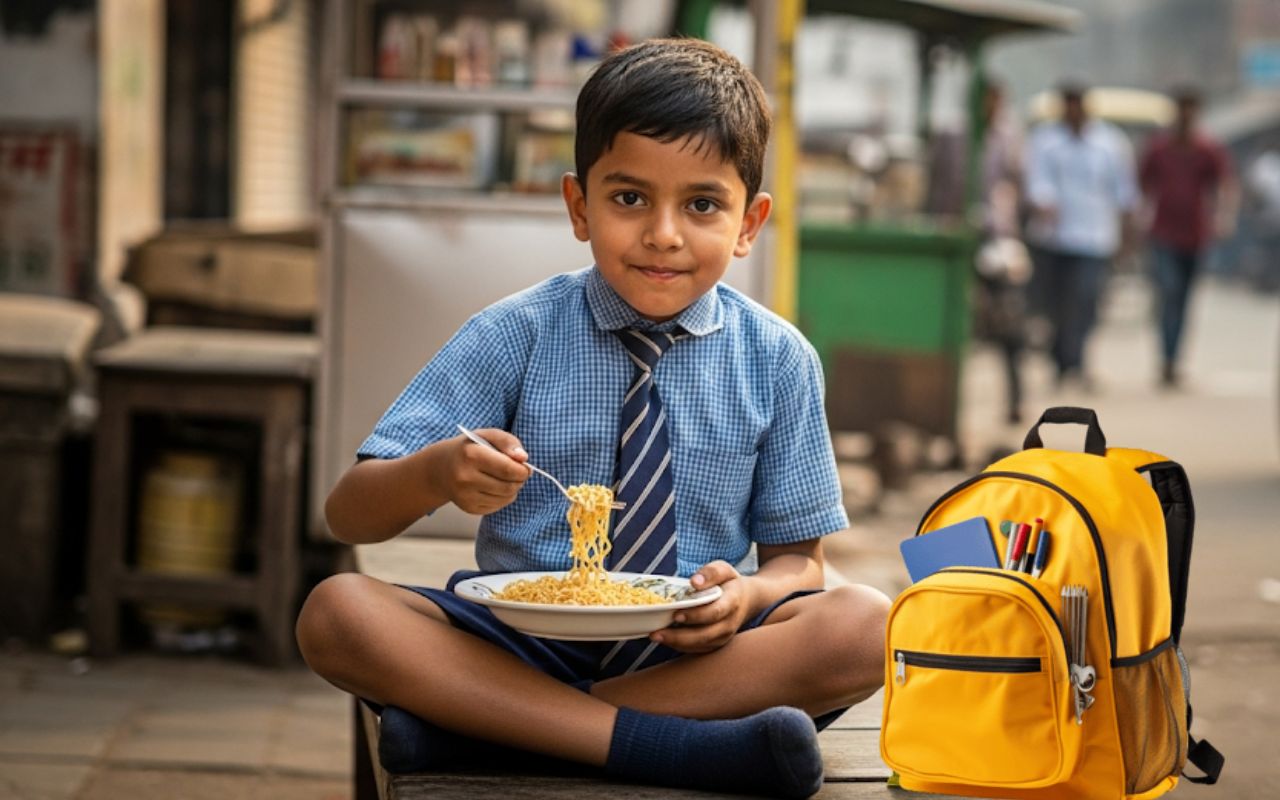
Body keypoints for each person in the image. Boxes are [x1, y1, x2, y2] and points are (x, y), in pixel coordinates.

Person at [296, 38, 889, 800]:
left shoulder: (778, 360)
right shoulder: (516, 333)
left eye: (702, 204)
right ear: (580, 206)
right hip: (516, 643)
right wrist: (440, 470)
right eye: (630, 198)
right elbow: (350, 515)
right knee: (335, 612)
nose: (664, 234)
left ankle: (498, 732)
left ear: (750, 222)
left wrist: (746, 598)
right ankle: (666, 749)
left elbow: (797, 563)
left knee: (868, 623)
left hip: (692, 657)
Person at [1024, 81, 1139, 389]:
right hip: (1053, 238)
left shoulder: (1110, 143)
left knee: (1086, 300)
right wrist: (1044, 202)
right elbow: (1036, 181)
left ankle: (1077, 360)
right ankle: (1061, 361)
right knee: (1055, 303)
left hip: (1094, 237)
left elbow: (1125, 192)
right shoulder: (1045, 140)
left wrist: (1128, 235)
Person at [1139, 85, 1236, 388]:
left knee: (1183, 300)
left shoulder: (1207, 149)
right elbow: (1140, 183)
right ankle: (1166, 358)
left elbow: (1225, 184)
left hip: (1195, 235)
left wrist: (1223, 215)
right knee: (1169, 292)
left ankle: (1174, 359)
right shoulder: (1159, 149)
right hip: (1163, 234)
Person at [972, 78, 1032, 424]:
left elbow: (1022, 188)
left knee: (1012, 329)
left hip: (1001, 242)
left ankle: (1015, 401)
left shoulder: (1010, 139)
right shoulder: (959, 137)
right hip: (967, 240)